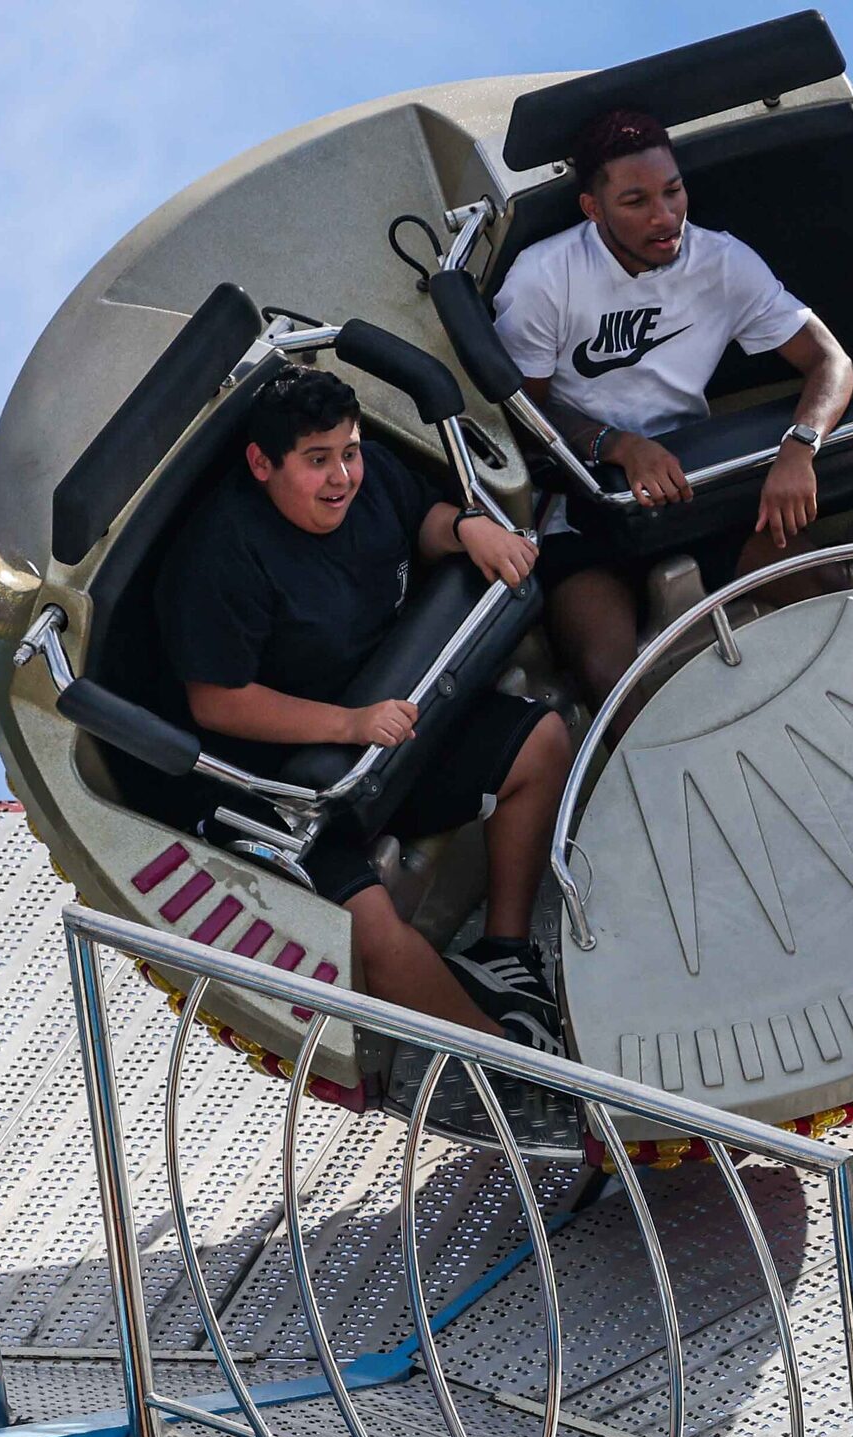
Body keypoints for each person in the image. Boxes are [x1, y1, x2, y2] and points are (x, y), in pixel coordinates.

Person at [156, 366, 573, 1050]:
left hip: (387, 720)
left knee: (543, 741)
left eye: (347, 453)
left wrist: (467, 529)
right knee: (370, 931)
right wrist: (346, 725)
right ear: (262, 464)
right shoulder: (221, 556)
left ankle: (506, 949)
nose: (342, 477)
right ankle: (510, 1068)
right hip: (282, 781)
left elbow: (420, 520)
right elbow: (219, 703)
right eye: (317, 462)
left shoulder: (368, 472)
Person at [493, 107, 853, 701]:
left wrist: (801, 446)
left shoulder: (722, 261)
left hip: (698, 483)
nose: (665, 217)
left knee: (826, 588)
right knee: (608, 677)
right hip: (582, 504)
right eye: (637, 202)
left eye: (673, 191)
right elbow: (518, 419)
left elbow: (830, 362)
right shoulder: (543, 277)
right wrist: (618, 446)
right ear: (593, 208)